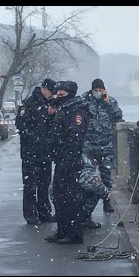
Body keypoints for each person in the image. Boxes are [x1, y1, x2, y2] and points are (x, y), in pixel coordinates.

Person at [45, 81, 92, 244]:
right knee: (59, 197)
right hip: (61, 159)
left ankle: (74, 234)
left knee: (69, 198)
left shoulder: (76, 111)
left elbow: (75, 138)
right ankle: (62, 230)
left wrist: (67, 158)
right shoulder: (64, 109)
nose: (58, 96)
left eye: (61, 94)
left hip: (69, 161)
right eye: (57, 93)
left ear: (69, 94)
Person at [15, 78, 57, 225]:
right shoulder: (29, 104)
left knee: (44, 184)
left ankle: (44, 212)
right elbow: (21, 126)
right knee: (30, 185)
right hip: (31, 152)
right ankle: (31, 214)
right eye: (51, 92)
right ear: (44, 89)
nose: (52, 95)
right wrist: (38, 139)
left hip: (45, 152)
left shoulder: (50, 104)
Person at [81, 78, 122, 213]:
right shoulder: (84, 100)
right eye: (95, 90)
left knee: (106, 175)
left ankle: (107, 201)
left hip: (106, 144)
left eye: (100, 90)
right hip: (88, 145)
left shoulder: (110, 101)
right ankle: (86, 208)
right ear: (91, 90)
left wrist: (107, 102)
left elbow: (117, 115)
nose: (98, 93)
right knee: (88, 176)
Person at [78, 149, 113, 229]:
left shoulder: (80, 158)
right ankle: (83, 217)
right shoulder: (87, 164)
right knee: (95, 192)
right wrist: (107, 194)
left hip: (61, 197)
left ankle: (73, 216)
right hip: (71, 198)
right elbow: (95, 184)